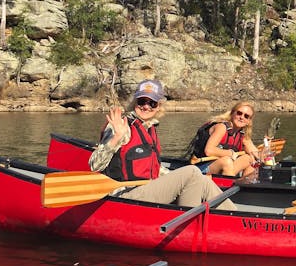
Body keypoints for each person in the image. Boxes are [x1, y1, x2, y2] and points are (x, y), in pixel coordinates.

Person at [88, 79, 236, 210]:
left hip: (147, 189)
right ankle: (189, 226)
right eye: (142, 101)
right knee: (191, 172)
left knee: (200, 178)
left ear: (158, 106)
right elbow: (94, 165)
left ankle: (234, 219)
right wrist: (116, 138)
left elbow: (155, 169)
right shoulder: (120, 126)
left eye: (152, 103)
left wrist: (178, 177)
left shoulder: (149, 127)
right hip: (125, 194)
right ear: (135, 103)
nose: (146, 107)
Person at [188, 101, 261, 177]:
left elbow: (255, 153)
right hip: (201, 167)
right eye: (239, 113)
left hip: (223, 166)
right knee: (226, 161)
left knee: (250, 159)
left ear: (248, 121)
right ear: (232, 114)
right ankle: (230, 186)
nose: (242, 117)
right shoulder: (222, 127)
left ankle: (246, 186)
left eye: (246, 116)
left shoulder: (243, 134)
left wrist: (266, 152)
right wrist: (231, 153)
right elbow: (209, 151)